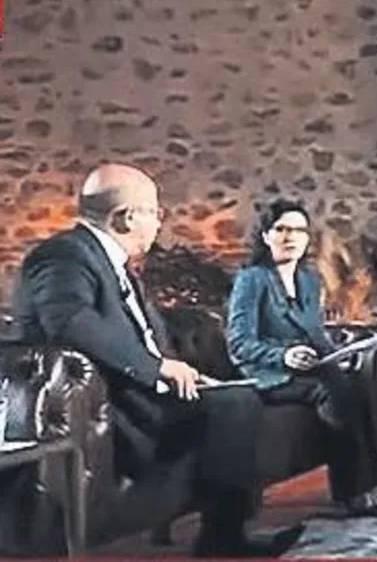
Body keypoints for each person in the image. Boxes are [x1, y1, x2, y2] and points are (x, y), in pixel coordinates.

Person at [9, 164, 302, 557]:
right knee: (237, 404)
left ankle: (225, 530)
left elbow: (140, 334)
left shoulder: (108, 261)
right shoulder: (63, 255)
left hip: (142, 391)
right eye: (154, 211)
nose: (160, 222)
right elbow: (70, 321)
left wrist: (183, 371)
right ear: (126, 217)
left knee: (240, 395)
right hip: (113, 405)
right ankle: (223, 538)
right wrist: (158, 369)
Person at [225, 198, 377, 517]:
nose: (291, 237)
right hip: (267, 373)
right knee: (330, 390)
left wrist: (337, 356)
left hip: (308, 367)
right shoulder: (252, 280)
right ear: (266, 236)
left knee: (355, 382)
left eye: (299, 230)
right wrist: (284, 356)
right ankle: (353, 493)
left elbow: (315, 333)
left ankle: (361, 487)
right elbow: (240, 343)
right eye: (282, 229)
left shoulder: (309, 280)